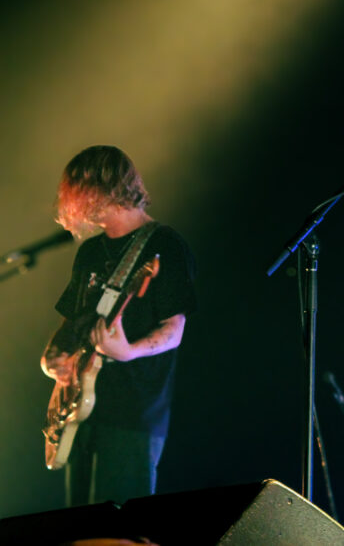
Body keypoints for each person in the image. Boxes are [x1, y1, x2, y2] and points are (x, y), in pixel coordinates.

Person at [40, 145, 197, 506]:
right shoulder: (90, 252)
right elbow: (72, 321)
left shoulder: (164, 246)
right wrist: (53, 359)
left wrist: (128, 351)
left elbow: (174, 328)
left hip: (132, 415)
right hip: (79, 411)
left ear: (96, 190)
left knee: (118, 532)